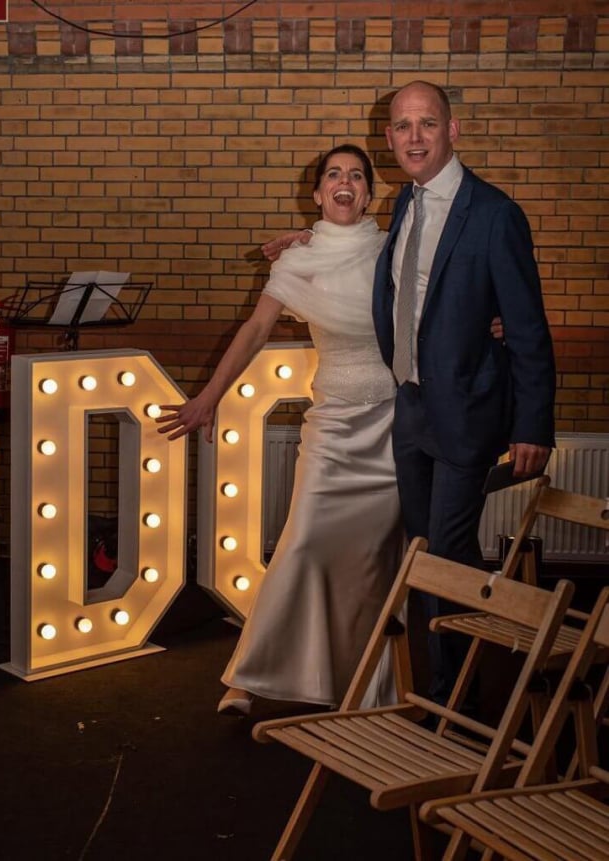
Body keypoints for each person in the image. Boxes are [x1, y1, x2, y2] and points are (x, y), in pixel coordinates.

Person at [267, 81, 556, 703]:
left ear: (453, 131)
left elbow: (528, 325)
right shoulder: (403, 207)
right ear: (391, 137)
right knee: (423, 553)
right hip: (411, 410)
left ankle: (458, 701)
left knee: (446, 553)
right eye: (402, 126)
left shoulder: (495, 213)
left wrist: (533, 423)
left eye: (428, 123)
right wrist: (303, 241)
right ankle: (448, 675)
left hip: (465, 415)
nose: (415, 136)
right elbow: (375, 269)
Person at [156, 144, 405, 715]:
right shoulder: (296, 261)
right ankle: (251, 677)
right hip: (336, 427)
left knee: (372, 563)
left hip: (393, 428)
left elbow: (442, 297)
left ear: (370, 192)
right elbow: (253, 330)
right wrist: (208, 396)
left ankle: (367, 684)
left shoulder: (394, 249)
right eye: (334, 175)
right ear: (317, 193)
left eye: (357, 176)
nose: (346, 183)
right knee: (301, 547)